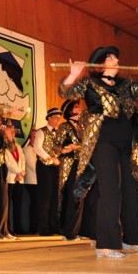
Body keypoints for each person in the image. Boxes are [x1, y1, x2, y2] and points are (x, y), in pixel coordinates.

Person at [59, 46, 138, 258]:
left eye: (115, 57)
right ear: (100, 64)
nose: (116, 59)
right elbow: (65, 92)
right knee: (111, 190)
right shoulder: (89, 83)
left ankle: (133, 239)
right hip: (103, 142)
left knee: (131, 190)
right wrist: (73, 75)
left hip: (127, 144)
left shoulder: (125, 84)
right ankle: (106, 245)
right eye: (111, 57)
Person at [56, 99, 85, 242]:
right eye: (76, 106)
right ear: (69, 111)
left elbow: (88, 144)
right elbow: (56, 146)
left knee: (80, 197)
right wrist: (65, 149)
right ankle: (69, 232)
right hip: (69, 164)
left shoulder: (83, 126)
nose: (79, 108)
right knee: (71, 197)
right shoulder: (64, 127)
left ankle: (79, 230)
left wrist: (76, 147)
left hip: (82, 165)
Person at [34, 107, 62, 236]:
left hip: (56, 167)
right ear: (49, 118)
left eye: (58, 118)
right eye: (55, 118)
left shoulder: (59, 133)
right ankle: (44, 228)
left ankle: (54, 226)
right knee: (45, 198)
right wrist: (49, 158)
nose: (57, 120)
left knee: (55, 198)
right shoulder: (42, 131)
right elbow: (37, 148)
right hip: (45, 167)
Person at [4, 120, 25, 236]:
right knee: (7, 206)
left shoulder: (18, 146)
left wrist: (21, 173)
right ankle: (7, 228)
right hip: (10, 178)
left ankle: (18, 226)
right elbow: (8, 163)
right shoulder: (4, 147)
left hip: (19, 179)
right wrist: (18, 171)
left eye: (13, 132)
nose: (12, 134)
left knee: (18, 204)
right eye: (9, 132)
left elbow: (22, 160)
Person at [22, 128, 39, 234]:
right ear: (30, 138)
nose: (35, 138)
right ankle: (33, 227)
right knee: (34, 204)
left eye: (37, 136)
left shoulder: (39, 149)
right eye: (34, 136)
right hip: (32, 181)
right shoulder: (28, 149)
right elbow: (33, 165)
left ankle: (37, 226)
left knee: (38, 204)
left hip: (39, 181)